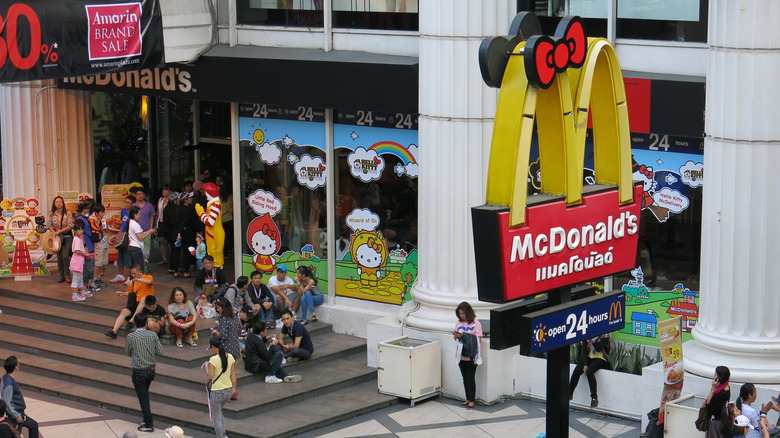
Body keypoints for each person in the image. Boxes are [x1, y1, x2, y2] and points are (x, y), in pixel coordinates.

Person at [125, 313, 163, 433]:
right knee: (144, 395)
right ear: (147, 322)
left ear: (135, 324)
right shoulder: (153, 335)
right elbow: (160, 351)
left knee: (143, 398)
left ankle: (149, 424)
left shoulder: (131, 337)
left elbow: (128, 352)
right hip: (151, 370)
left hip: (138, 371)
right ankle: (146, 419)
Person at [106, 265, 154, 339]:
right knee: (124, 311)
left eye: (134, 273)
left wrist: (138, 280)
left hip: (145, 304)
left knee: (143, 299)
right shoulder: (134, 281)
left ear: (140, 272)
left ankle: (132, 320)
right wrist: (123, 293)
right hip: (135, 304)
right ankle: (114, 331)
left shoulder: (147, 277)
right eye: (132, 274)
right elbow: (131, 293)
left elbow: (149, 282)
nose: (133, 275)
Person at [453, 301, 483, 409]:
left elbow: (478, 338)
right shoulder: (459, 323)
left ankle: (472, 400)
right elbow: (455, 339)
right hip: (461, 354)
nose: (461, 316)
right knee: (464, 377)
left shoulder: (476, 323)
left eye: (463, 313)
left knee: (470, 377)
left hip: (471, 355)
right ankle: (467, 398)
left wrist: (465, 336)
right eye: (460, 314)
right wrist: (456, 335)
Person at [205, 336, 236, 438]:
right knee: (218, 412)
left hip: (217, 391)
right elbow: (232, 373)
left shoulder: (213, 359)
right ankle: (224, 434)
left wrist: (206, 366)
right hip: (228, 390)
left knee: (216, 417)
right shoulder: (230, 357)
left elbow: (210, 376)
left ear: (213, 347)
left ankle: (221, 436)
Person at [569, 333, 611, 408]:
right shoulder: (588, 333)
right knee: (577, 370)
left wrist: (594, 342)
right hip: (589, 357)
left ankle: (594, 398)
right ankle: (569, 394)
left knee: (590, 372)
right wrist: (585, 364)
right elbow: (585, 351)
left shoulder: (605, 335)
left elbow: (599, 348)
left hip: (600, 358)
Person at [0, 356, 38, 438]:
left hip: (20, 414)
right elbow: (7, 402)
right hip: (14, 416)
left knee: (33, 425)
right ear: (16, 367)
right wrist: (16, 415)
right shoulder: (8, 383)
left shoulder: (7, 378)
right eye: (17, 363)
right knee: (17, 433)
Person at [48, 195, 74, 283]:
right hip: (57, 238)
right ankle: (61, 275)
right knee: (59, 257)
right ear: (54, 204)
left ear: (63, 203)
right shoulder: (51, 214)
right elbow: (49, 225)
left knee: (65, 256)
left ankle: (67, 275)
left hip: (67, 237)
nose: (59, 204)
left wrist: (60, 231)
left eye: (60, 202)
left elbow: (70, 225)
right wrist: (54, 232)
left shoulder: (68, 213)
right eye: (57, 202)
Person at [110, 195, 136, 283]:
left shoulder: (135, 212)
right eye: (125, 202)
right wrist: (119, 234)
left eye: (128, 203)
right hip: (123, 235)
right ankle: (120, 275)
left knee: (128, 256)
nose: (126, 204)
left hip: (131, 236)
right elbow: (122, 223)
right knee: (120, 255)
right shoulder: (123, 211)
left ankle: (130, 276)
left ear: (133, 204)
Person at [213, 297, 242, 368]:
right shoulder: (235, 316)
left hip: (226, 349)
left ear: (223, 308)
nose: (217, 310)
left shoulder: (223, 319)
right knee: (232, 370)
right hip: (235, 348)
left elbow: (224, 336)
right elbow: (239, 331)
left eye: (218, 308)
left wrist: (216, 333)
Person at [75, 200, 98, 293]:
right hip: (87, 245)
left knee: (91, 265)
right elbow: (80, 234)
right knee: (88, 266)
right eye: (87, 207)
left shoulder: (84, 218)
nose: (89, 209)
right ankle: (85, 284)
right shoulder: (80, 219)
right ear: (83, 209)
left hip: (90, 244)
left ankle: (89, 283)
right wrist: (84, 246)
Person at [703, 365, 731, 438]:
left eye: (715, 374)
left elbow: (709, 402)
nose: (713, 376)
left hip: (717, 422)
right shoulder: (724, 387)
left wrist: (713, 388)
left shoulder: (722, 392)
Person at [127, 206, 157, 272]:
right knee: (139, 268)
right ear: (135, 214)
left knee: (133, 267)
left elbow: (138, 233)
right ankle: (137, 281)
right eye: (139, 214)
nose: (140, 216)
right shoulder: (135, 224)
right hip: (136, 248)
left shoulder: (130, 222)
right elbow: (140, 237)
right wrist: (149, 232)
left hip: (132, 246)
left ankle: (133, 280)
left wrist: (148, 231)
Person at [69, 220, 93, 301]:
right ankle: (74, 295)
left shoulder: (78, 239)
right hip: (76, 263)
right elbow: (77, 251)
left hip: (79, 262)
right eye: (79, 230)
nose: (81, 231)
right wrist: (85, 254)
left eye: (81, 229)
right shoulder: (76, 239)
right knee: (76, 280)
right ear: (75, 231)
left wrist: (85, 253)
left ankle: (82, 292)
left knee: (80, 278)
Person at [131, 186, 156, 262]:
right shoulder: (134, 206)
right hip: (135, 232)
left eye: (141, 194)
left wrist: (150, 227)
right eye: (138, 194)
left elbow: (152, 217)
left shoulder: (149, 205)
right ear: (135, 195)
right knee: (137, 251)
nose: (140, 196)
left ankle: (144, 268)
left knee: (146, 251)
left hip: (146, 230)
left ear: (144, 195)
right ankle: (138, 269)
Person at [91, 204, 109, 288]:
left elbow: (107, 231)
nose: (103, 213)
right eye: (101, 212)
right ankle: (94, 280)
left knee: (103, 263)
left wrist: (105, 226)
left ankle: (98, 278)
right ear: (96, 213)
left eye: (103, 212)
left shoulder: (103, 220)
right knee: (98, 263)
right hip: (98, 244)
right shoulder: (93, 220)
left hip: (104, 242)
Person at [155, 184, 171, 266]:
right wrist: (155, 222)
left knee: (170, 240)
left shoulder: (172, 200)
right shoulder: (160, 199)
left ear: (170, 192)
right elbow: (158, 211)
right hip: (161, 222)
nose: (163, 191)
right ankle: (164, 258)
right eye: (163, 189)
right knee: (161, 240)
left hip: (169, 222)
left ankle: (170, 258)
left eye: (166, 190)